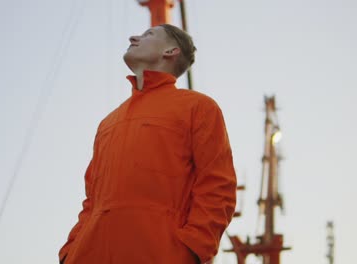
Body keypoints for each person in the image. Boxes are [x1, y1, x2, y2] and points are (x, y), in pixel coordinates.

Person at [58, 24, 237, 264]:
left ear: (171, 51)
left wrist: (192, 251)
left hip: (159, 254)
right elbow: (92, 199)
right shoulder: (108, 123)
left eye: (148, 35)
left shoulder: (199, 108)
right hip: (89, 254)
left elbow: (218, 186)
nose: (133, 37)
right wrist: (70, 250)